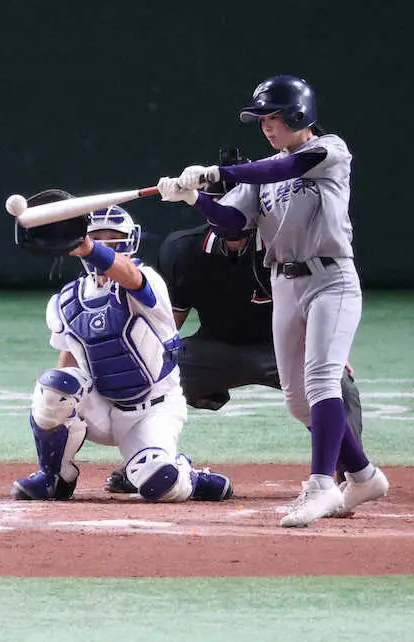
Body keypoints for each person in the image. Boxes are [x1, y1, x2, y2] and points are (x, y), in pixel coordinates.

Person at [157, 75, 389, 528]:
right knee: (298, 403)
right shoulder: (262, 172)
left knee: (322, 382)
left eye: (274, 117)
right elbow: (232, 225)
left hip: (331, 279)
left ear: (299, 114)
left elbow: (281, 170)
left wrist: (218, 172)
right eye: (262, 118)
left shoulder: (330, 151)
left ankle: (322, 485)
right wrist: (196, 199)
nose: (266, 126)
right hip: (285, 284)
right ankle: (363, 476)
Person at [104, 147, 367, 500]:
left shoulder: (283, 244)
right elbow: (167, 324)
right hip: (216, 350)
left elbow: (319, 295)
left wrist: (332, 352)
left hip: (281, 349)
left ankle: (348, 475)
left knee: (339, 384)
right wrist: (145, 362)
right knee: (152, 370)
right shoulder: (183, 250)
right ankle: (147, 462)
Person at [11, 195, 234, 504]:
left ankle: (189, 476)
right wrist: (54, 408)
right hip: (101, 407)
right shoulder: (66, 300)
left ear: (129, 243)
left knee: (160, 485)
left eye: (113, 241)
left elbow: (129, 276)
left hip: (152, 408)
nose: (105, 246)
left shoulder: (148, 282)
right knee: (55, 385)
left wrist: (90, 247)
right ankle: (55, 476)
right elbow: (69, 359)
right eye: (97, 238)